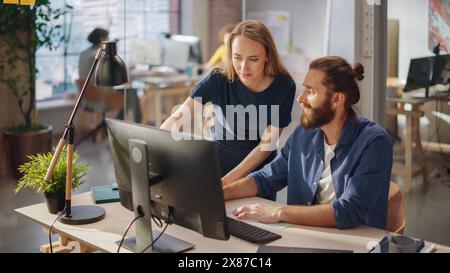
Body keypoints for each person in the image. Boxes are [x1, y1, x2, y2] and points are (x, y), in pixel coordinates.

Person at [223, 56, 393, 230]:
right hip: (303, 237)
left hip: (357, 243)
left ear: (336, 99)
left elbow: (348, 211)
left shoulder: (374, 143)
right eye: (303, 89)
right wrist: (221, 193)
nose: (300, 98)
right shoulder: (303, 134)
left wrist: (277, 212)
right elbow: (266, 178)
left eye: (310, 91)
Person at [160, 20, 296, 200]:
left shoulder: (284, 87)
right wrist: (157, 147)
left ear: (268, 55)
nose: (243, 68)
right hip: (216, 164)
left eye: (253, 59)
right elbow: (178, 118)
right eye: (237, 57)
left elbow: (266, 146)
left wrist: (226, 182)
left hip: (258, 175)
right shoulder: (218, 80)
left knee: (252, 226)